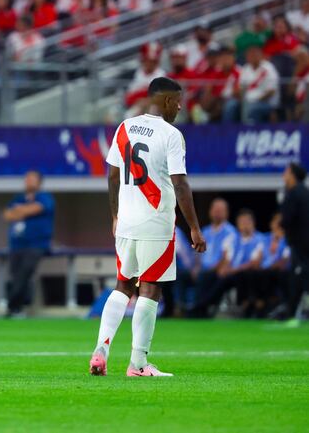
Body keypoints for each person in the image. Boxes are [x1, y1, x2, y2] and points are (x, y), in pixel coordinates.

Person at [89, 77, 206, 377]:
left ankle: (101, 350)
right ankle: (138, 364)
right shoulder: (171, 134)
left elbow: (113, 177)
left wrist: (115, 215)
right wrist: (194, 227)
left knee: (123, 285)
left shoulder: (125, 127)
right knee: (150, 291)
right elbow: (180, 184)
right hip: (156, 222)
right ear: (166, 101)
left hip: (126, 222)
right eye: (178, 101)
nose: (180, 107)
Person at [191, 209, 266, 318]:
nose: (244, 225)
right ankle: (202, 306)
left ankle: (204, 305)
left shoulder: (259, 239)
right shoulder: (233, 239)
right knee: (207, 276)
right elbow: (227, 258)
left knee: (228, 280)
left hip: (246, 273)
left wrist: (232, 270)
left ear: (253, 223)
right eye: (241, 222)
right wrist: (224, 268)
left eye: (246, 222)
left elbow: (254, 262)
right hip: (232, 272)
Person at [3, 170, 55, 317]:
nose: (29, 181)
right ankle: (16, 307)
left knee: (24, 273)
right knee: (14, 275)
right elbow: (7, 215)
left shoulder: (45, 197)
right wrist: (25, 210)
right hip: (16, 244)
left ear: (39, 182)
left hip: (36, 245)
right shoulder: (19, 198)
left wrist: (20, 211)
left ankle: (14, 307)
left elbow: (37, 208)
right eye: (27, 178)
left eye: (32, 179)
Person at [177, 198, 237, 313]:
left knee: (204, 277)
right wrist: (196, 268)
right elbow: (198, 254)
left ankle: (198, 308)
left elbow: (226, 257)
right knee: (179, 275)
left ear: (226, 213)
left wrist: (209, 269)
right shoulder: (205, 231)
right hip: (201, 269)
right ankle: (179, 306)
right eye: (215, 210)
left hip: (215, 270)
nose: (217, 213)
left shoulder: (230, 232)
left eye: (220, 210)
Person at [280, 162, 309, 322]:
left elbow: (286, 220)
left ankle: (293, 313)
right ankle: (293, 311)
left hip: (301, 244)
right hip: (303, 244)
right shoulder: (305, 192)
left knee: (299, 277)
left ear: (292, 175)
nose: (283, 175)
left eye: (286, 172)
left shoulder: (294, 193)